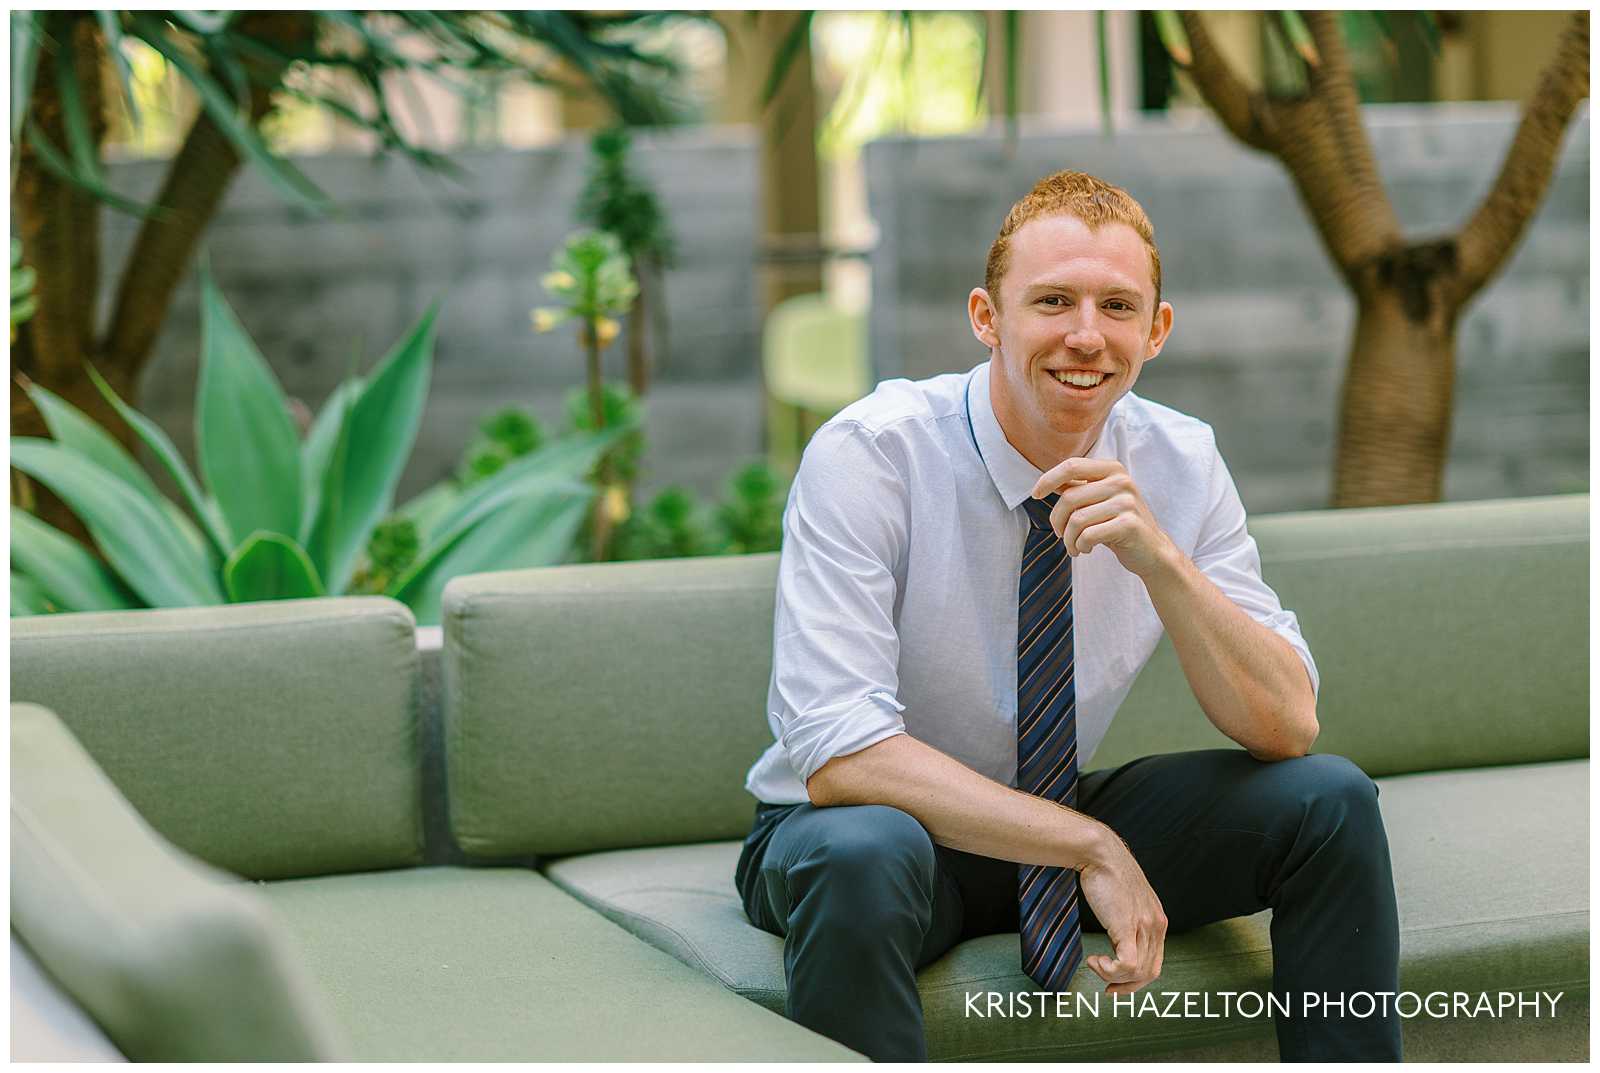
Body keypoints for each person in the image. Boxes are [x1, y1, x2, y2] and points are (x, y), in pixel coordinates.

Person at [733, 171, 1402, 1062]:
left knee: (1331, 803)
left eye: (1117, 306)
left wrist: (1161, 560)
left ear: (1155, 330)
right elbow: (840, 751)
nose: (1086, 335)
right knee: (863, 850)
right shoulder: (873, 454)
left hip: (1042, 814)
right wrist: (1088, 843)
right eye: (1053, 300)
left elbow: (1287, 724)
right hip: (869, 835)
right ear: (987, 317)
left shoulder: (1181, 459)